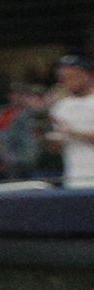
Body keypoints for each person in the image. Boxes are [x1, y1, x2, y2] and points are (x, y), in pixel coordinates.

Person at [48, 55, 94, 190]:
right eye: (63, 77)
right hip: (74, 178)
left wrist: (71, 132)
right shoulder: (60, 107)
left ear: (89, 75)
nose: (67, 81)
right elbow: (57, 149)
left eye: (72, 76)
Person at [0, 83, 53, 183]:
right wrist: (13, 160)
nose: (35, 101)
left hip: (48, 164)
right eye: (32, 97)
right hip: (23, 165)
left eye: (39, 97)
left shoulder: (54, 114)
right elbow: (8, 141)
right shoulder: (19, 118)